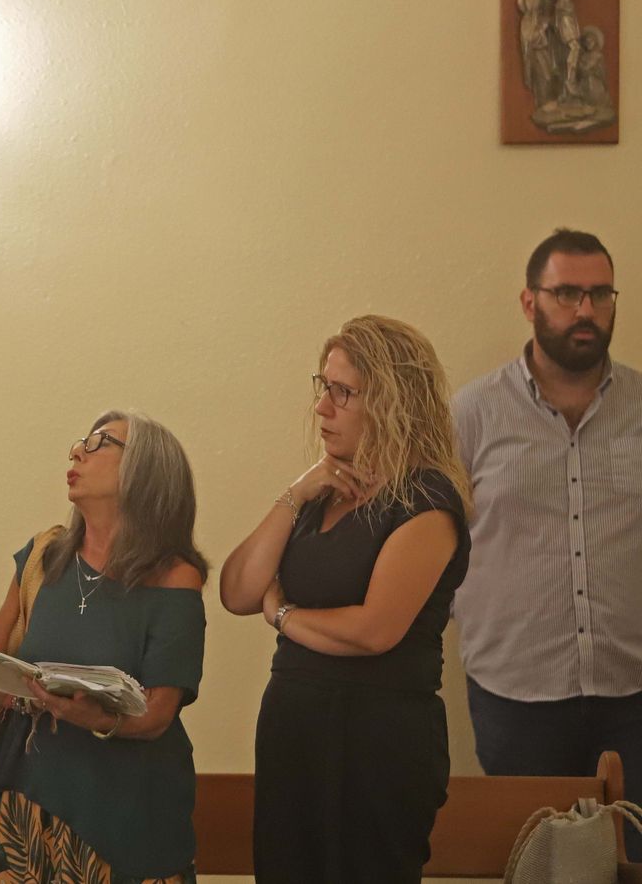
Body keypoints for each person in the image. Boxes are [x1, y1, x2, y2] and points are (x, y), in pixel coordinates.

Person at [219, 315, 471, 883]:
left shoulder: (427, 501)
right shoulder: (323, 492)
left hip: (377, 740)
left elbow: (374, 630)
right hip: (294, 729)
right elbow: (236, 591)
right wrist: (295, 492)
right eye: (323, 387)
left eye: (343, 393)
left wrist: (282, 615)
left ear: (391, 402)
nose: (323, 408)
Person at [451, 229, 641, 857]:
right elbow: (436, 539)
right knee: (536, 862)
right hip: (516, 691)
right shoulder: (473, 413)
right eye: (566, 293)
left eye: (599, 293)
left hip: (632, 688)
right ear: (530, 303)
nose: (585, 310)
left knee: (630, 862)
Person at [0, 410, 207, 884]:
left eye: (100, 443)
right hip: (29, 808)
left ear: (145, 470)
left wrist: (92, 716)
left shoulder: (174, 578)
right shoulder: (44, 558)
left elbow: (157, 714)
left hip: (128, 819)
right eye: (81, 441)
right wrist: (35, 695)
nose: (78, 450)